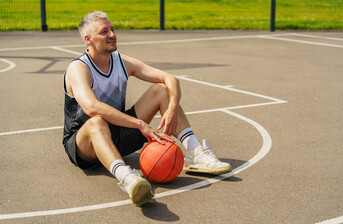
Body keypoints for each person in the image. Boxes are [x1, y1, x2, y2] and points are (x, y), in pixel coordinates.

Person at [62, 11, 232, 206]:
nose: (112, 34)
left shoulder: (121, 61)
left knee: (161, 90)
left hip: (117, 134)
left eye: (112, 29)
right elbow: (92, 107)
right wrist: (140, 124)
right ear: (88, 40)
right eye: (104, 31)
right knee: (97, 121)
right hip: (84, 146)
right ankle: (128, 178)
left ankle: (195, 153)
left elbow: (170, 79)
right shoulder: (79, 69)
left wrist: (172, 108)